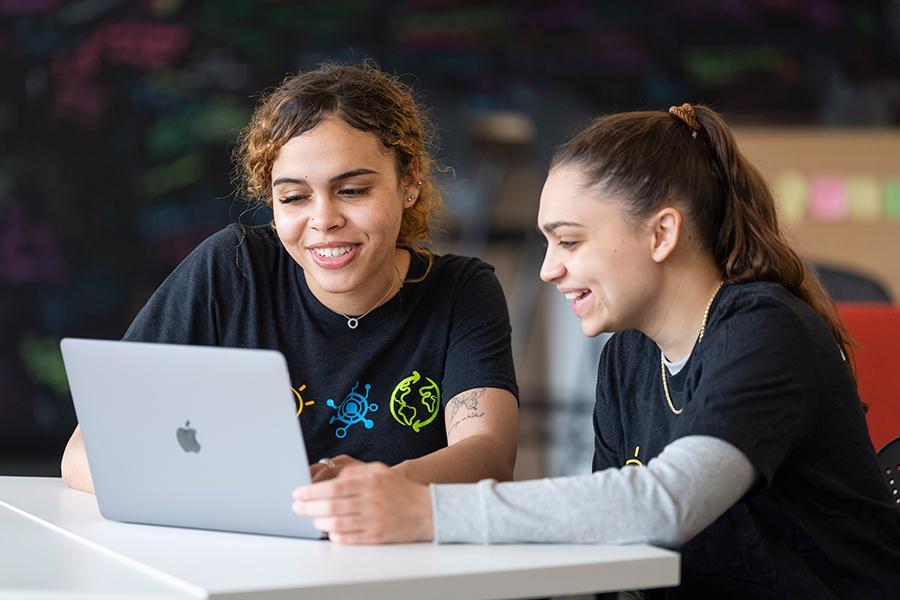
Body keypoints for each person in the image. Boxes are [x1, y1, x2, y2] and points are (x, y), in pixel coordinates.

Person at [291, 103, 900, 597]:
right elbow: (613, 541)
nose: (550, 270)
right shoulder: (628, 354)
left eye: (570, 242)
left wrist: (428, 512)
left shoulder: (765, 329)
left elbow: (668, 502)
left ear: (662, 233)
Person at [61, 63, 519, 494]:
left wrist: (377, 488)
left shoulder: (462, 292)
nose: (323, 219)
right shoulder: (233, 268)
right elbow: (83, 454)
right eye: (295, 197)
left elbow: (488, 455)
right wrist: (224, 491)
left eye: (353, 190)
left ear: (409, 183)